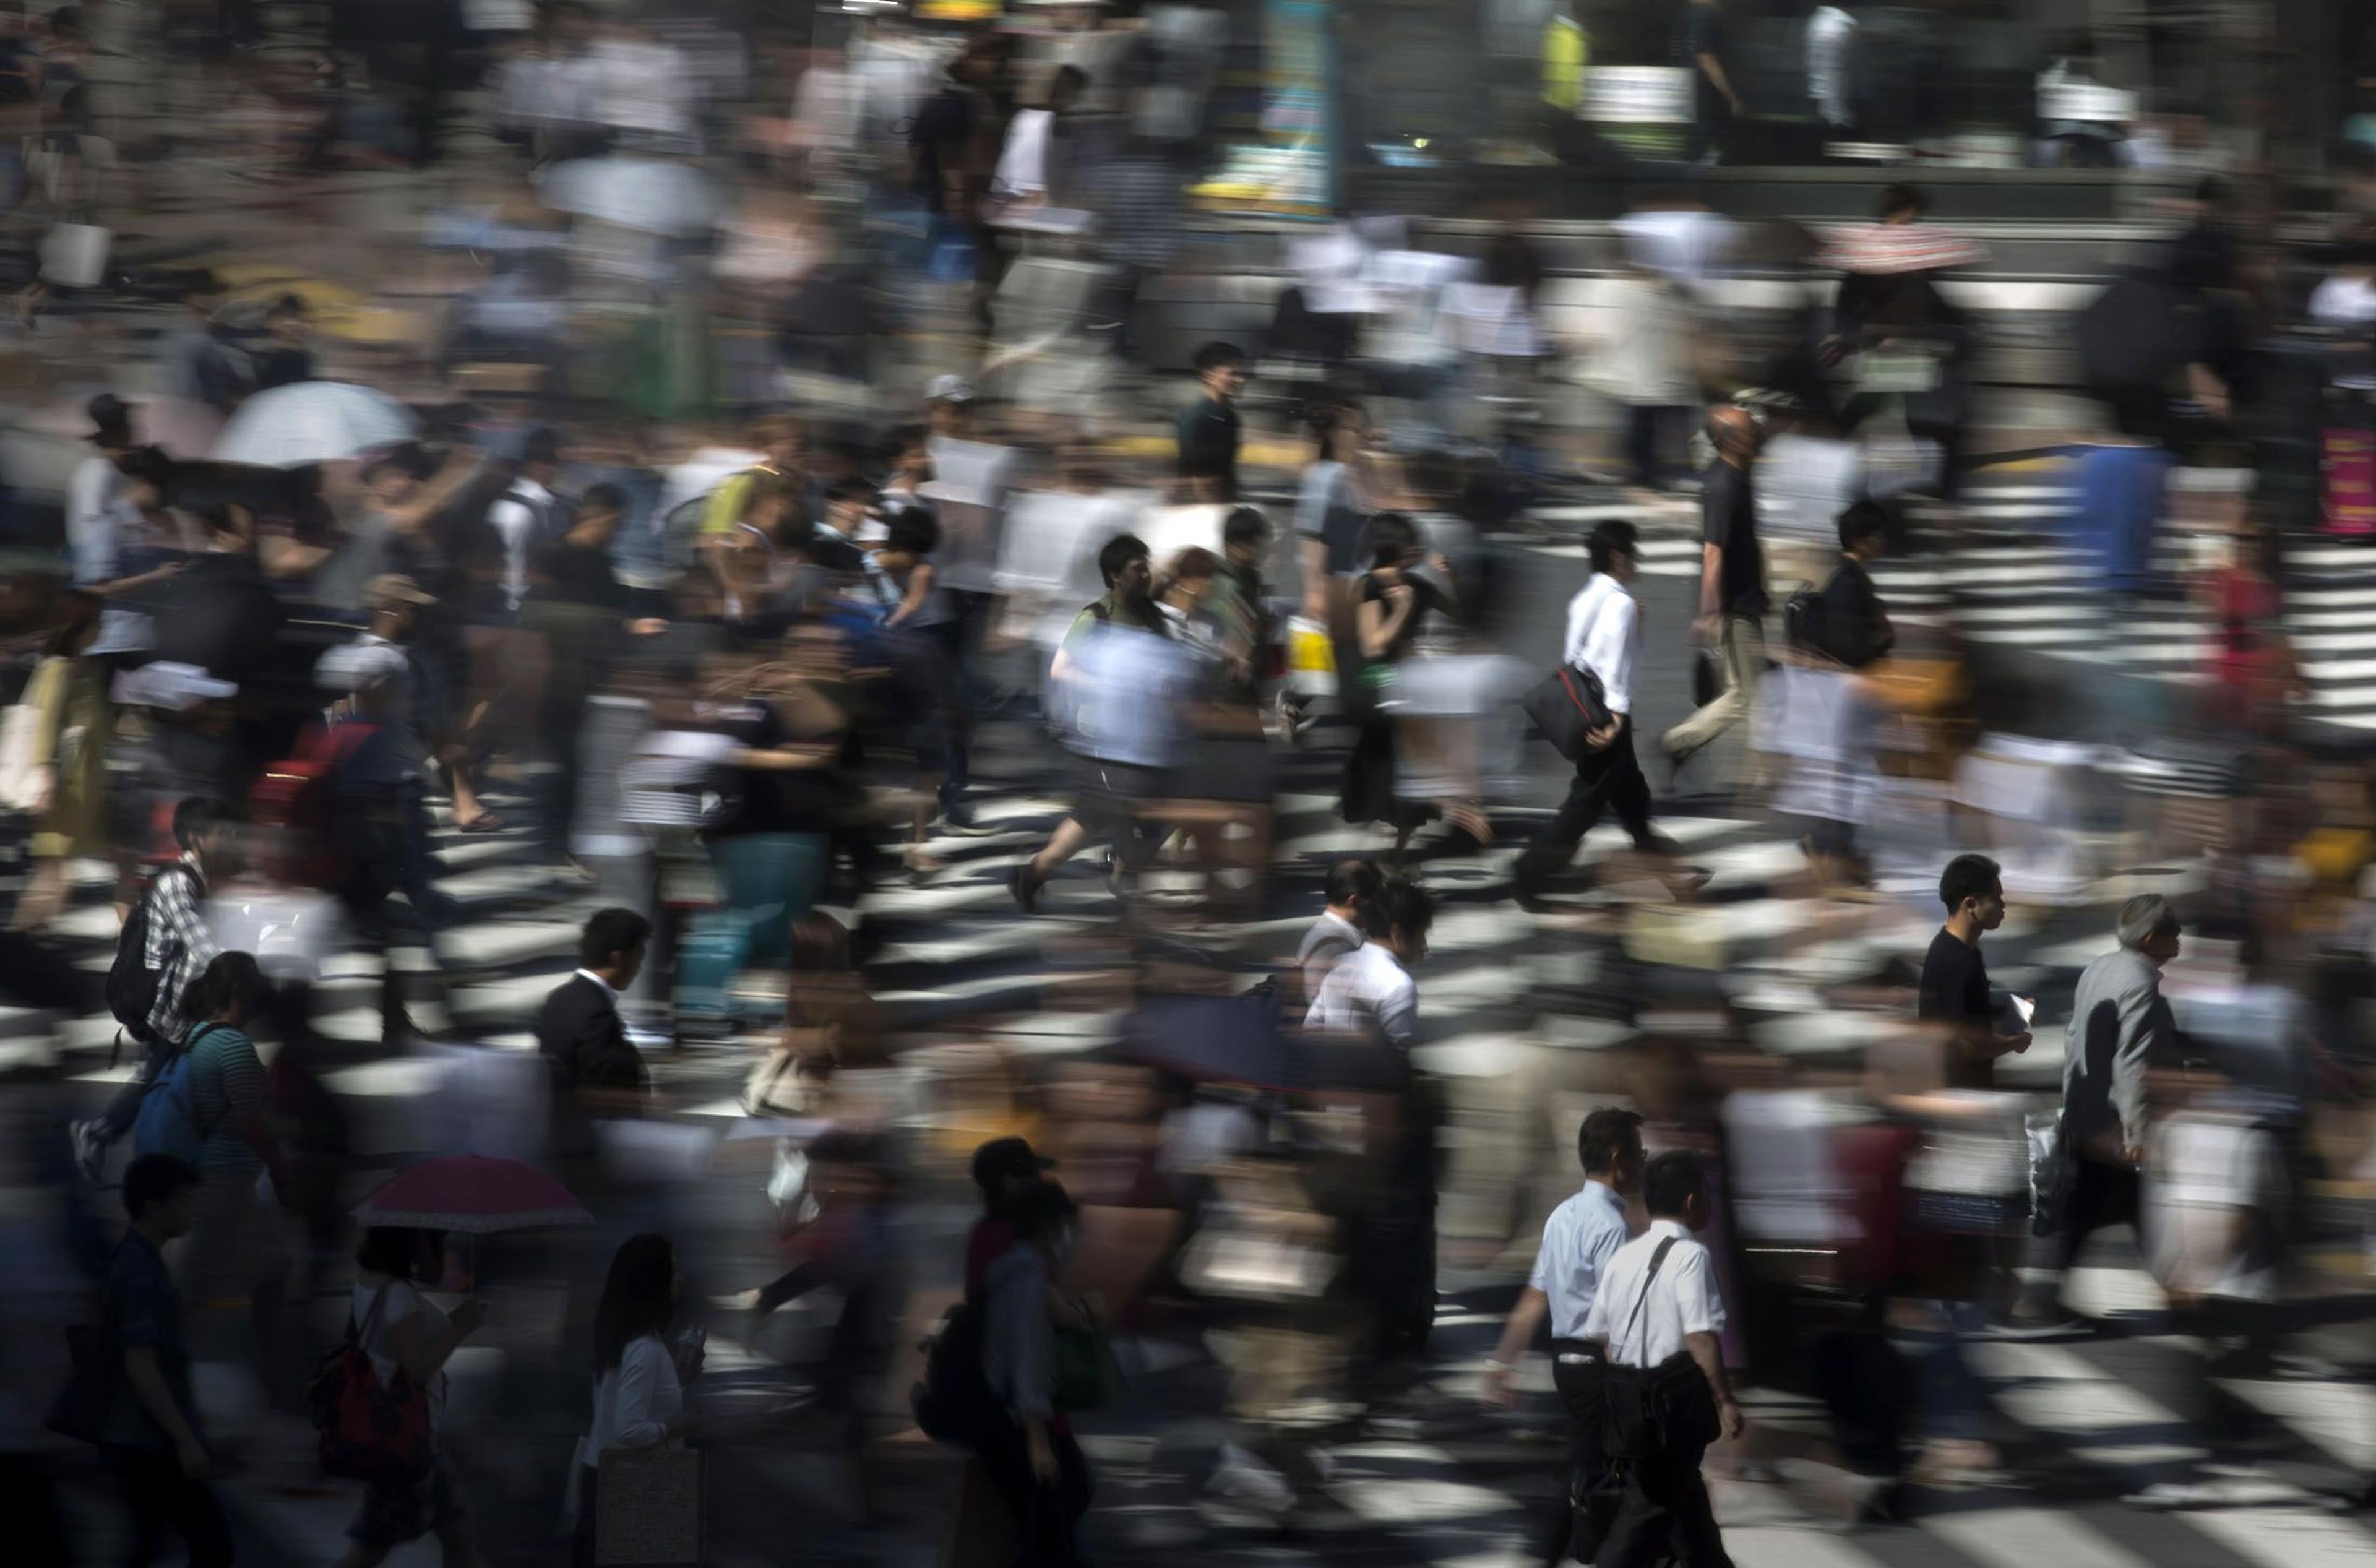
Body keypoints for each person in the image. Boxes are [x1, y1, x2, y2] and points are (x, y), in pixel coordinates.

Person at [1482, 1108, 1648, 1568]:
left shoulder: (1562, 1216)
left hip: (1566, 1362)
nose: (1643, 1163)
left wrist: (1501, 1363)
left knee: (1591, 1466)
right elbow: (1614, 1316)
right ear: (1618, 1158)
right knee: (1599, 1472)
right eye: (1640, 1154)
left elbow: (1535, 1296)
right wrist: (1636, 1380)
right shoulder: (1611, 1227)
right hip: (1598, 1365)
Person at [2023, 895, 2182, 1329]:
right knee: (2137, 1204)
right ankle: (2181, 1296)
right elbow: (2132, 1063)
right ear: (2152, 939)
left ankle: (2044, 1299)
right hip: (2114, 1121)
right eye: (2174, 932)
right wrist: (2135, 1134)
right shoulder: (2139, 982)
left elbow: (2074, 1038)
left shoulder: (2099, 968)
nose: (2180, 939)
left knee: (2098, 1206)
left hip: (2087, 1114)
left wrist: (2073, 1105)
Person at [1582, 1149, 1742, 1568]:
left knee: (1690, 1517)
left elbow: (1600, 1333)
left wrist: (1629, 1384)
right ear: (1692, 1201)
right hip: (1672, 1409)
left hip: (1629, 1404)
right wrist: (1725, 1401)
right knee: (1646, 1515)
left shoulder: (1624, 1256)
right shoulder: (1691, 1255)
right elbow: (1700, 1336)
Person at [1010, 535, 1188, 913]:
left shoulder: (1152, 615)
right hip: (1101, 740)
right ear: (1115, 576)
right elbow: (1062, 669)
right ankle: (1125, 874)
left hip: (1143, 737)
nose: (1146, 574)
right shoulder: (1096, 616)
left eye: (1147, 567)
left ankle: (1035, 874)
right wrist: (1110, 685)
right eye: (1138, 569)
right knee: (1144, 809)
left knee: (1092, 817)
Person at [1514, 520, 1666, 907]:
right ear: (1618, 557)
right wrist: (1617, 718)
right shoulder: (1621, 603)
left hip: (1585, 706)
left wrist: (1637, 626)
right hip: (1606, 713)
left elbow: (1576, 657)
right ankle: (1529, 872)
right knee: (1586, 803)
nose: (1638, 560)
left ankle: (1660, 864)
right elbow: (1616, 665)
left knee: (1631, 795)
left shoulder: (1585, 598)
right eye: (1633, 553)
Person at [169, 953, 292, 1401]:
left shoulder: (198, 1036)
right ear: (240, 992)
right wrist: (281, 1170)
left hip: (219, 1179)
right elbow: (251, 1123)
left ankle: (270, 1370)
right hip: (224, 1180)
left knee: (271, 1267)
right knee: (193, 1285)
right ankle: (151, 1369)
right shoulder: (233, 1046)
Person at [100, 1153, 233, 1568]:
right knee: (212, 1548)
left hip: (143, 1437)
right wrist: (185, 1439)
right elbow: (140, 1363)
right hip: (153, 1441)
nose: (192, 1208)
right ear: (154, 1208)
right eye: (184, 1200)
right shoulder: (140, 1270)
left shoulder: (141, 1260)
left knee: (148, 1547)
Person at [334, 1227, 488, 1568]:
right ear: (412, 1241)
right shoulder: (398, 1293)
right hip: (404, 1443)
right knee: (369, 1553)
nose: (438, 1251)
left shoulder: (369, 1281)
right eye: (434, 1241)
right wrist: (460, 1328)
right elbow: (416, 1368)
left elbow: (388, 1349)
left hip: (416, 1439)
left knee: (459, 1533)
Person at [975, 1179, 1093, 1565]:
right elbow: (1026, 1358)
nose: (1071, 1236)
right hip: (1019, 1420)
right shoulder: (1024, 1277)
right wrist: (1037, 1443)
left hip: (1014, 1416)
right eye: (1067, 1226)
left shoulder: (1021, 1271)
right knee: (1053, 1527)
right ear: (1049, 1227)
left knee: (1052, 1523)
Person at [573, 1234, 699, 1567]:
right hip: (627, 1487)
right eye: (674, 1270)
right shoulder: (644, 1348)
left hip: (606, 1479)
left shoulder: (624, 1339)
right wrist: (680, 1426)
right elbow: (629, 1430)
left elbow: (622, 1402)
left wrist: (679, 1379)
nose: (682, 1278)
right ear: (653, 1281)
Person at [1661, 405, 1766, 786]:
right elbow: (1712, 551)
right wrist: (1710, 612)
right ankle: (1678, 741)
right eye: (1749, 430)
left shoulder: (1738, 477)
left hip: (1744, 601)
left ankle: (1685, 744)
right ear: (1729, 440)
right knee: (1746, 695)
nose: (1756, 434)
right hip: (1735, 606)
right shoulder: (1724, 485)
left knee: (1747, 691)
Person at [12, 588, 111, 930]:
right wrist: (42, 772)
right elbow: (44, 721)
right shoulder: (58, 668)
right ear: (79, 626)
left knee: (56, 874)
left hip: (77, 787)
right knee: (53, 874)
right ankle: (22, 943)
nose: (102, 630)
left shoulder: (84, 667)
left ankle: (29, 940)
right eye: (97, 623)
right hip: (61, 788)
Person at [538, 907, 652, 1183]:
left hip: (561, 1144)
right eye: (640, 955)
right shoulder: (595, 1012)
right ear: (619, 958)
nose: (640, 967)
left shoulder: (558, 999)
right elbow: (601, 1085)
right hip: (591, 1155)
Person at [1918, 853, 2031, 1089]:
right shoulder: (1956, 961)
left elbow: (1969, 1012)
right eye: (1996, 898)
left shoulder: (1961, 950)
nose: (2003, 905)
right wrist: (2015, 1043)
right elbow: (1968, 1047)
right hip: (1956, 1090)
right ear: (1970, 905)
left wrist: (2012, 1011)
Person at [1305, 875, 1431, 1049]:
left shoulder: (1341, 964)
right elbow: (1396, 1056)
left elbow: (1311, 1026)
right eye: (1422, 934)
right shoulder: (1400, 986)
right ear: (1397, 934)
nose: (1425, 945)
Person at [1294, 401, 1372, 619]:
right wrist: (1315, 590)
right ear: (1333, 434)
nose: (1359, 436)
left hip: (1354, 583)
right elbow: (1313, 535)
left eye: (1361, 429)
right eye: (1351, 429)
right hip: (1334, 586)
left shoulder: (1355, 473)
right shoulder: (1326, 476)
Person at [966, 1135, 1057, 1294]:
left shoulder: (983, 1232)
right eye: (1034, 1175)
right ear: (1010, 1183)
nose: (1041, 1182)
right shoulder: (1015, 1241)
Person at [1298, 857, 1382, 1002]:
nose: (1378, 908)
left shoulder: (1333, 935)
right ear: (1354, 901)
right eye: (1376, 900)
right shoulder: (1335, 946)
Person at [1176, 340, 1247, 503]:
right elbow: (1198, 479)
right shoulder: (1197, 418)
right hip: (1199, 506)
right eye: (1233, 374)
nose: (1241, 380)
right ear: (1209, 378)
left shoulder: (1229, 416)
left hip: (1223, 501)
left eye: (1240, 374)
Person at [1676, 0, 1745, 165]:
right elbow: (1706, 59)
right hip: (1707, 101)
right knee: (1703, 156)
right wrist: (1731, 97)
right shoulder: (1707, 14)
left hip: (1692, 99)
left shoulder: (1689, 13)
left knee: (1694, 155)